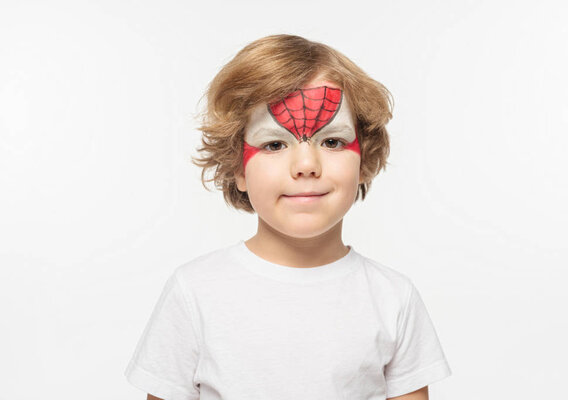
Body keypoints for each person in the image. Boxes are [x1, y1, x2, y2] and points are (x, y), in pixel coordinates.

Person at [124, 34, 452, 400]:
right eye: (274, 144)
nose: (307, 165)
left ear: (364, 160)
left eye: (332, 142)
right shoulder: (194, 292)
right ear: (239, 169)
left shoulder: (394, 298)